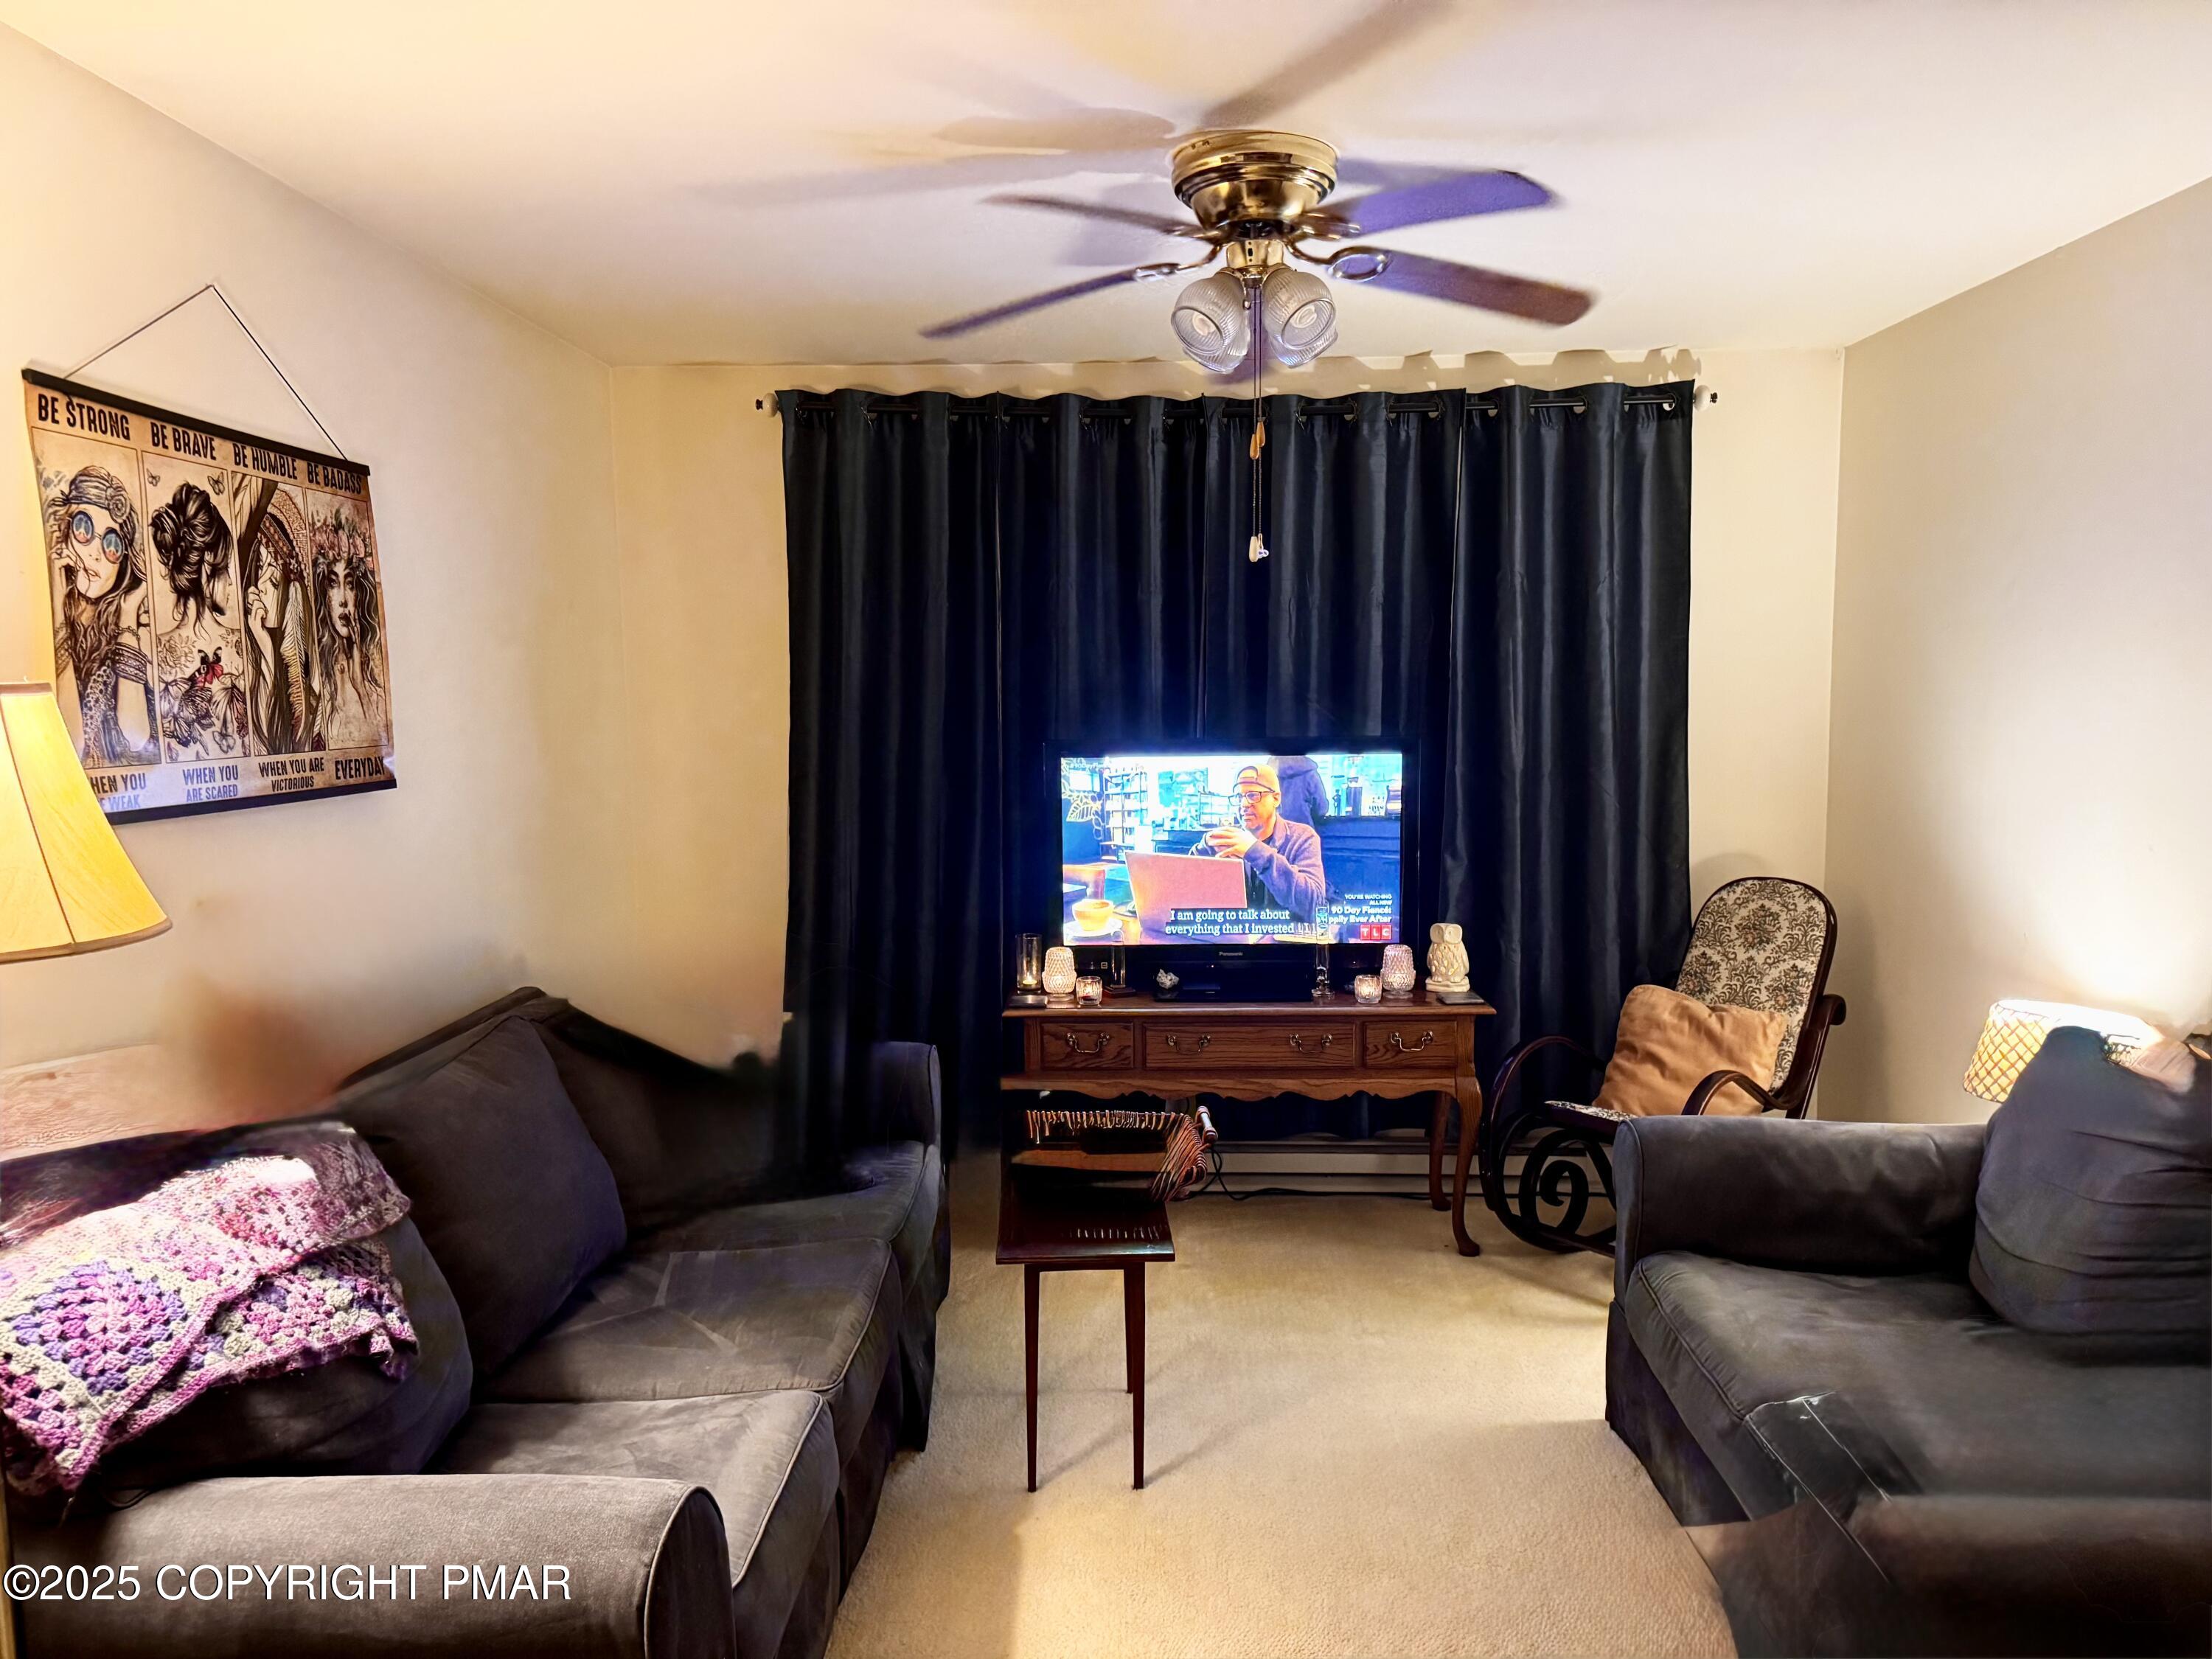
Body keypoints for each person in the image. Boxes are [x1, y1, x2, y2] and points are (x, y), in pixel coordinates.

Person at [1206, 762, 1326, 925]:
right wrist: (1205, 845)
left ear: (1276, 798)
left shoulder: (1303, 837)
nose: (1244, 804)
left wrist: (1254, 851)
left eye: (1253, 795)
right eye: (1239, 797)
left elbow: (1315, 907)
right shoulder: (1228, 839)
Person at [1270, 753, 1332, 827]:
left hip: (1275, 831)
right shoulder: (1310, 773)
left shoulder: (1268, 773)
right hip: (1304, 831)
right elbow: (1321, 808)